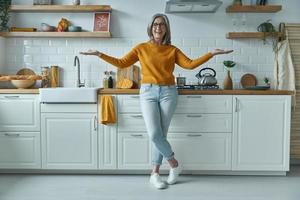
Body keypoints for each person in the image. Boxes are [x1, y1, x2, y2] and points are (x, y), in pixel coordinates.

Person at [80, 13, 233, 189]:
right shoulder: (141, 48)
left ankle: (155, 173)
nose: (158, 27)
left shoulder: (172, 50)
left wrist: (211, 54)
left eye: (161, 24)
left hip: (169, 92)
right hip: (148, 92)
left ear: (166, 28)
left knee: (160, 134)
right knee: (154, 134)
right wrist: (99, 54)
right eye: (155, 24)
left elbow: (190, 64)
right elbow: (122, 63)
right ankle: (175, 164)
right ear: (150, 28)